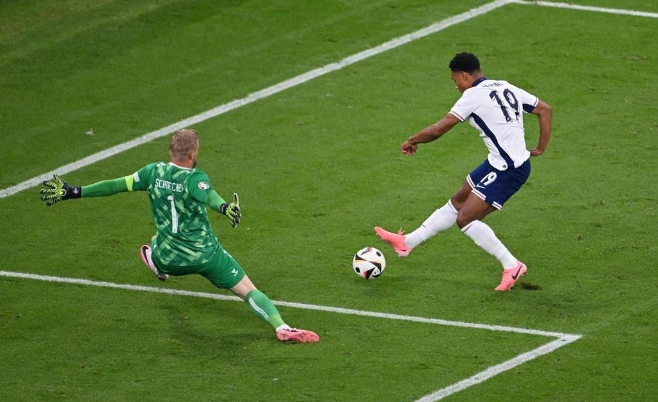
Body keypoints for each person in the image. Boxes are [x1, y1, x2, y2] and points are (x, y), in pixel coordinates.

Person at [40, 128, 319, 343]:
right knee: (248, 290)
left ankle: (156, 263)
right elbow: (208, 195)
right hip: (206, 256)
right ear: (193, 154)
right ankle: (282, 327)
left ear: (171, 151)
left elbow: (115, 185)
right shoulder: (194, 178)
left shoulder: (152, 172)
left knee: (155, 240)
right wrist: (225, 208)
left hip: (169, 257)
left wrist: (73, 191)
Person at [375, 52, 552, 291]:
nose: (456, 85)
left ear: (465, 75)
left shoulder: (473, 96)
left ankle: (512, 265)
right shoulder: (504, 86)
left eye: (455, 80)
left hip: (509, 170)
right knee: (458, 201)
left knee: (465, 219)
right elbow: (544, 109)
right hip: (497, 163)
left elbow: (437, 129)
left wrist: (412, 139)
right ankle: (407, 242)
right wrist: (541, 147)